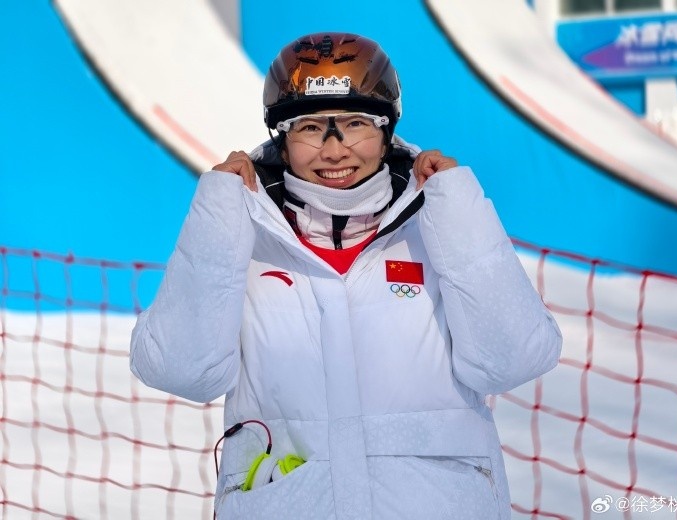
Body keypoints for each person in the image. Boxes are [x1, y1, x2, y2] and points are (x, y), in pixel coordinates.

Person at [130, 32, 562, 520]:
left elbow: (515, 360)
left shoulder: (438, 225)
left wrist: (458, 208)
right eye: (310, 127)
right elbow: (181, 372)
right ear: (282, 140)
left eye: (356, 123)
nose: (335, 150)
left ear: (387, 131)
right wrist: (217, 213)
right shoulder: (242, 237)